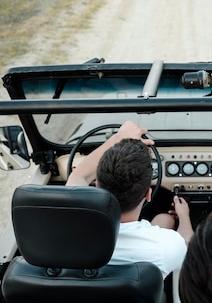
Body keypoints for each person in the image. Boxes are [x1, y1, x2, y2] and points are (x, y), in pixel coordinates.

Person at [66, 120, 193, 279]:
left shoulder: (69, 228)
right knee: (166, 220)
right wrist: (184, 217)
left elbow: (79, 176)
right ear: (148, 194)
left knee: (164, 219)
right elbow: (188, 245)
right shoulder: (165, 246)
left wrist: (117, 138)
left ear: (97, 186)